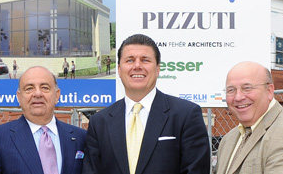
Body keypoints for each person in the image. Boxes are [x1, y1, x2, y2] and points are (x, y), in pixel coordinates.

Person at [83, 34, 210, 174]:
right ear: (119, 70)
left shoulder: (186, 115)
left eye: (145, 60)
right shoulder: (100, 122)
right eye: (130, 60)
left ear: (157, 69)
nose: (137, 66)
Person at [0, 66, 86, 174]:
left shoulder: (81, 137)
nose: (38, 94)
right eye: (29, 88)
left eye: (45, 87)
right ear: (19, 97)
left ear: (57, 95)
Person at [215, 61, 283, 174]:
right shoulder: (228, 139)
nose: (238, 97)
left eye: (247, 88)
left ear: (269, 91)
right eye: (231, 90)